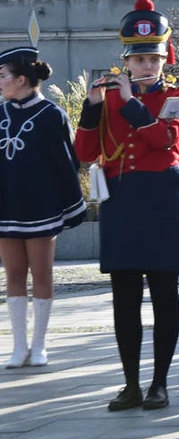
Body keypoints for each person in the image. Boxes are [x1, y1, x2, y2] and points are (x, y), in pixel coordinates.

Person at [74, 0, 179, 411]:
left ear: (164, 61)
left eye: (152, 59)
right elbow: (86, 151)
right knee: (124, 295)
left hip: (161, 196)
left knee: (163, 292)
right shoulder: (107, 99)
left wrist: (127, 102)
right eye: (138, 59)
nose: (145, 67)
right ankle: (130, 384)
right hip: (122, 199)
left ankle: (160, 382)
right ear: (127, 60)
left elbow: (166, 141)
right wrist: (91, 107)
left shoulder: (178, 97)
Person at [0, 44, 86, 368]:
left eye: (3, 75)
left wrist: (69, 206)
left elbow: (68, 163)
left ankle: (39, 345)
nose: (0, 81)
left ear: (22, 79)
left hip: (42, 208)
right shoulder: (0, 113)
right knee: (14, 274)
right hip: (6, 206)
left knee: (42, 273)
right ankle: (19, 346)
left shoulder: (52, 115)